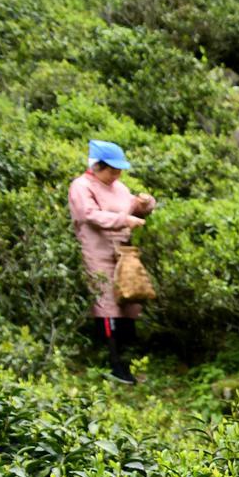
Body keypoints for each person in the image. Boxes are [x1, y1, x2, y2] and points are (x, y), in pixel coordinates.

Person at [67, 140, 155, 385]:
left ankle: (131, 358)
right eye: (112, 170)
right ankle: (115, 364)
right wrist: (124, 220)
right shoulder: (81, 186)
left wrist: (144, 205)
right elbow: (89, 215)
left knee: (130, 300)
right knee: (106, 305)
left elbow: (132, 209)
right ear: (97, 166)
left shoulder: (119, 186)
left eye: (119, 170)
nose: (117, 174)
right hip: (97, 252)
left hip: (123, 252)